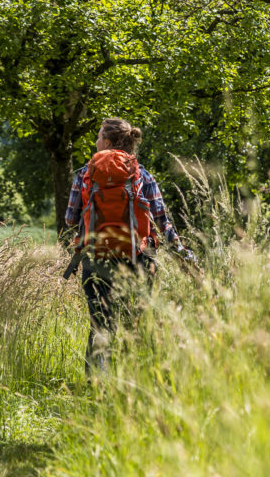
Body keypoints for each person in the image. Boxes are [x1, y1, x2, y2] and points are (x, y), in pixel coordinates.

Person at [65, 117, 194, 375]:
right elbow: (162, 222)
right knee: (137, 325)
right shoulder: (142, 175)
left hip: (96, 258)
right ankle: (135, 386)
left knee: (101, 326)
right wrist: (184, 254)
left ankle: (97, 389)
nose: (96, 141)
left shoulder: (84, 174)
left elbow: (70, 219)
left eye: (99, 136)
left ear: (109, 142)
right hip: (139, 259)